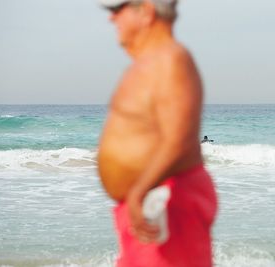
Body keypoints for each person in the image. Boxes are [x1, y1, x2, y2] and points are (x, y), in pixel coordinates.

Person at [96, 0, 218, 266]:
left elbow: (181, 139)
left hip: (166, 202)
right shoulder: (150, 63)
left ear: (147, 11)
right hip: (148, 203)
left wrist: (139, 191)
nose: (111, 19)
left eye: (117, 9)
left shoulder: (171, 59)